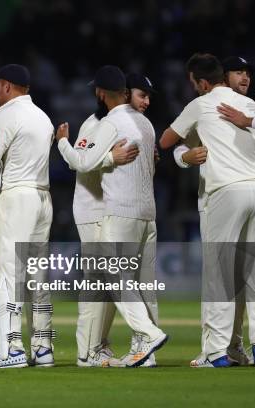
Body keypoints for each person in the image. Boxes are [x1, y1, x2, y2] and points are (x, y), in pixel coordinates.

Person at [160, 53, 255, 367]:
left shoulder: (200, 103)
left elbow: (166, 140)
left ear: (202, 82)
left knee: (220, 273)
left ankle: (217, 351)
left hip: (226, 191)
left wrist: (183, 154)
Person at [58, 65, 168, 368]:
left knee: (109, 278)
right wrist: (112, 158)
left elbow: (80, 162)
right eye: (141, 95)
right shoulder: (143, 124)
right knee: (137, 282)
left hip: (116, 210)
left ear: (102, 93)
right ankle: (133, 350)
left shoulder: (110, 123)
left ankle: (143, 336)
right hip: (137, 212)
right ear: (126, 93)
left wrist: (61, 143)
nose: (145, 101)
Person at [0, 64, 54, 369]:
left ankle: (11, 350)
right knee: (37, 275)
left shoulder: (6, 114)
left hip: (17, 198)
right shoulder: (43, 117)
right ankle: (43, 348)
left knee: (7, 273)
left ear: (7, 86)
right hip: (43, 197)